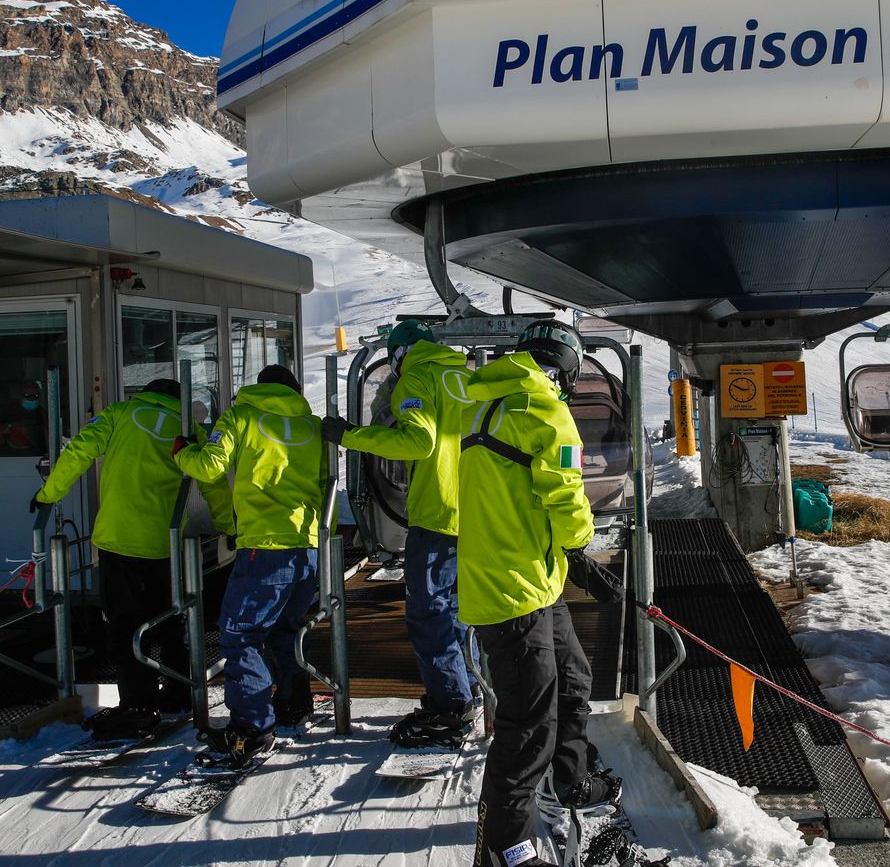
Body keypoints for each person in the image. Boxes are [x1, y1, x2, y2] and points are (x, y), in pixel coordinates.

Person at [457, 320, 620, 867]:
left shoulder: (483, 404)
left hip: (529, 579)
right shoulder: (546, 411)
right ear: (567, 370)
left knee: (572, 681)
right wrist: (580, 546)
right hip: (514, 591)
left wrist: (562, 558)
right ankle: (505, 850)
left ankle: (570, 777)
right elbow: (567, 499)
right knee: (527, 728)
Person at [32, 377, 235, 740]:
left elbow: (78, 451)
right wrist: (227, 526)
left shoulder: (119, 414)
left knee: (125, 624)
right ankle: (179, 692)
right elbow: (214, 483)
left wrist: (49, 493)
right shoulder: (188, 428)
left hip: (119, 540)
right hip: (164, 542)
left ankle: (139, 705)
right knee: (171, 618)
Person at [320, 320, 476, 748]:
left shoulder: (417, 379)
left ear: (399, 356)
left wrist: (351, 437)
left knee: (427, 611)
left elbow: (418, 442)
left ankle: (450, 705)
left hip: (438, 514)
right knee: (459, 609)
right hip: (477, 512)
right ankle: (469, 687)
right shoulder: (467, 377)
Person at [173, 364, 323, 767]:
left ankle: (252, 728)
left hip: (263, 544)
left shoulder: (241, 417)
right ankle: (294, 704)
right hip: (307, 544)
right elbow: (325, 481)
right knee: (287, 629)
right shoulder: (311, 425)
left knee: (241, 635)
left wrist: (184, 451)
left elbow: (209, 467)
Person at [0, 380, 47, 456]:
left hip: (34, 454)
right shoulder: (5, 411)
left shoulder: (42, 413)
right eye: (27, 395)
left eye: (35, 396)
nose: (31, 399)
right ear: (19, 395)